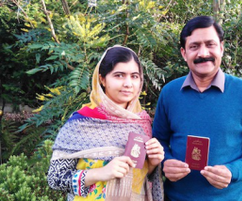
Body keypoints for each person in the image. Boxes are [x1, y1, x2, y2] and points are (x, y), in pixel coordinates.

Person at [152, 16, 242, 201]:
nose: (203, 53)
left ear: (221, 48)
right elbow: (158, 142)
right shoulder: (170, 93)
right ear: (184, 53)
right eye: (194, 46)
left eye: (210, 44)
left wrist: (234, 171)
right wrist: (165, 162)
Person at [47, 45, 164, 201]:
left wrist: (153, 163)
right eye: (119, 75)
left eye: (134, 76)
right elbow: (55, 178)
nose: (128, 83)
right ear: (102, 79)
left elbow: (140, 177)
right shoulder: (82, 122)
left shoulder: (142, 123)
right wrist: (100, 173)